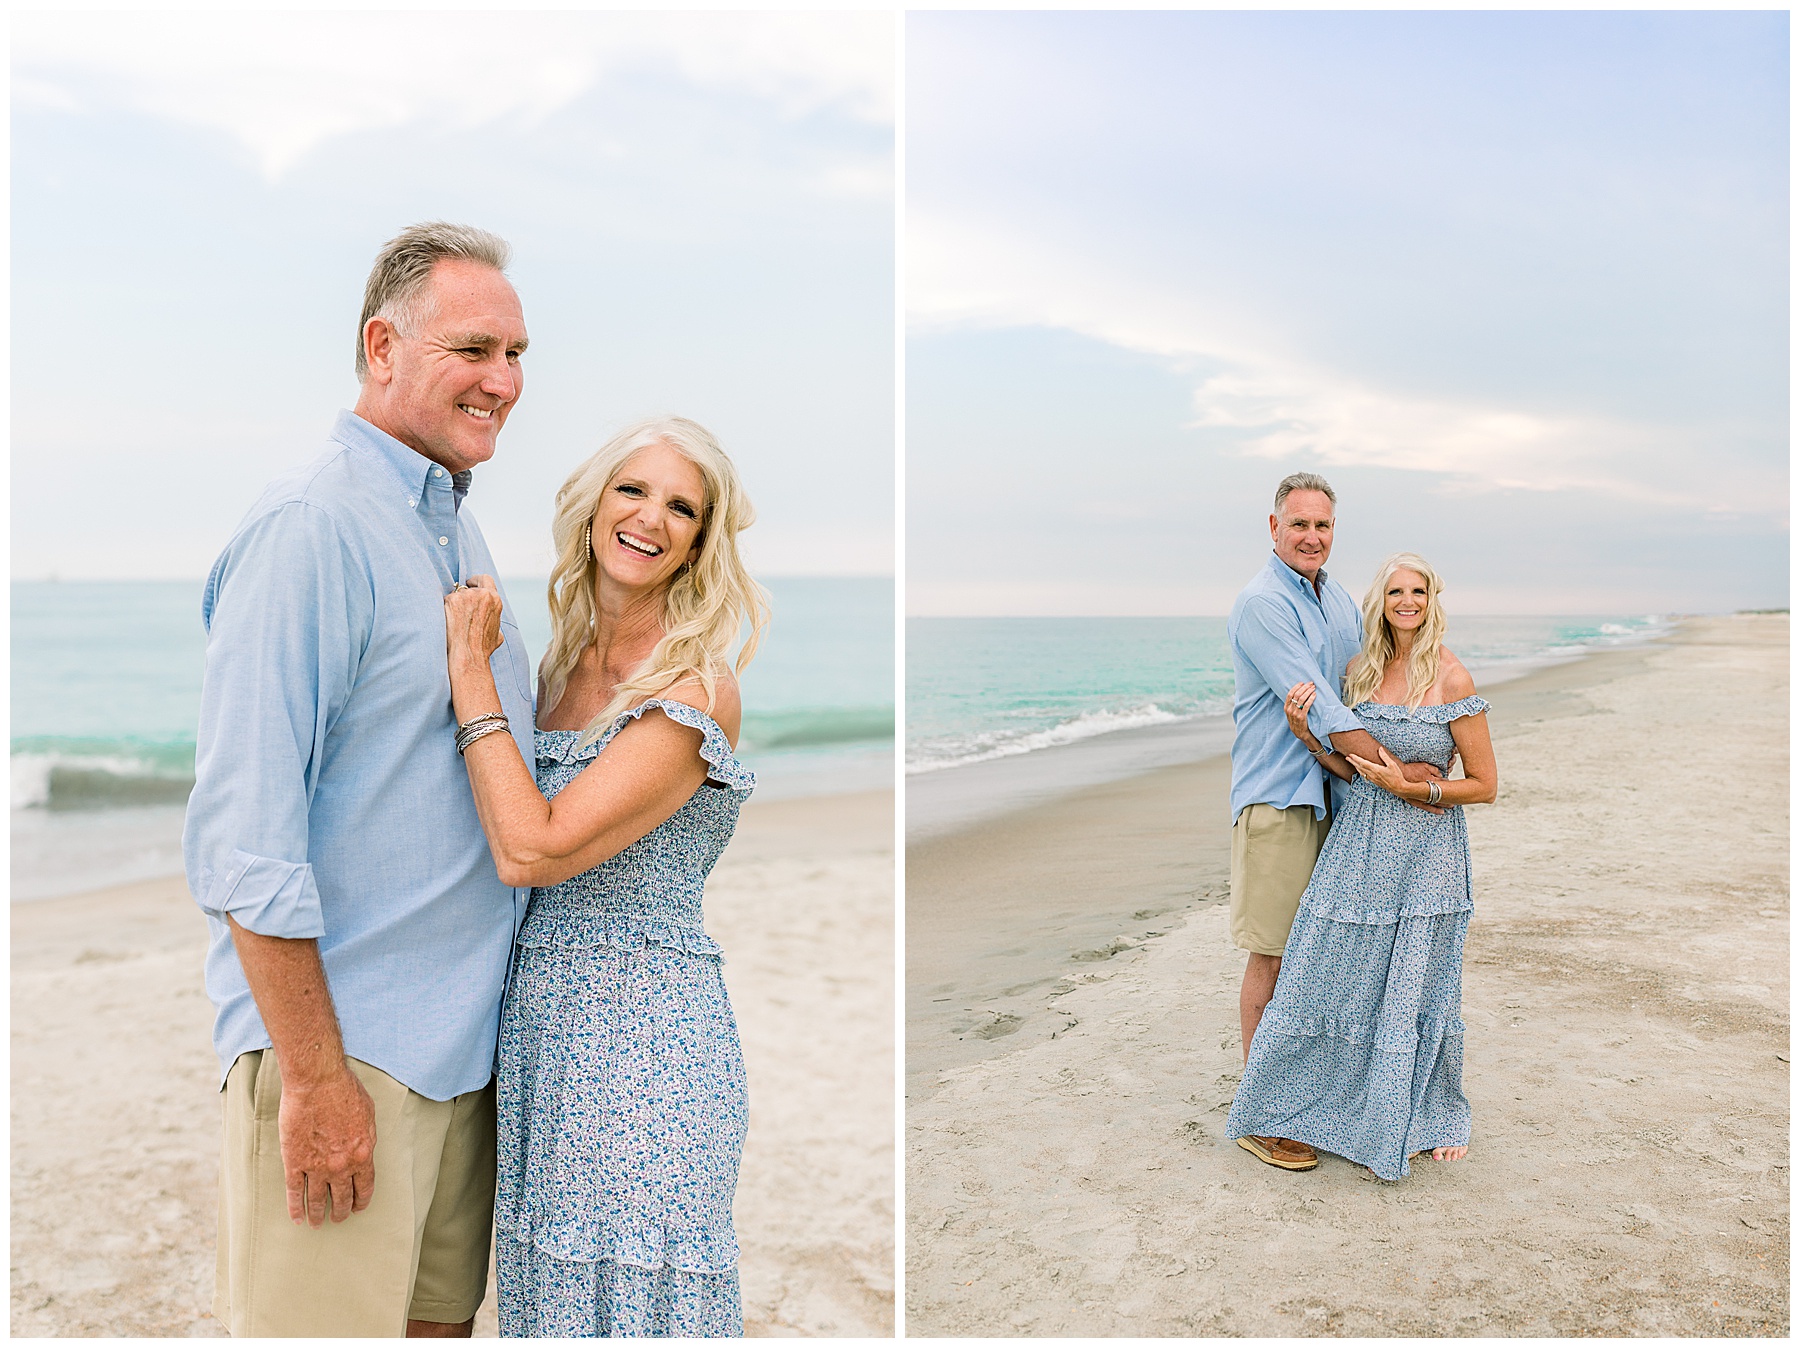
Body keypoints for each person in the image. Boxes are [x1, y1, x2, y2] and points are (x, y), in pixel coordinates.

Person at [183, 221, 535, 1337]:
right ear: (383, 346)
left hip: (462, 1062)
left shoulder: (457, 537)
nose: (505, 381)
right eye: (475, 349)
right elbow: (247, 842)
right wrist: (318, 1083)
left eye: (518, 356)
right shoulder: (312, 526)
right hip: (348, 1060)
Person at [441, 415, 769, 1337]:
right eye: (633, 491)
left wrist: (468, 673)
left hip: (647, 1046)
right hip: (540, 1040)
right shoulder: (557, 668)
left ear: (701, 541)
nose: (651, 518)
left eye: (682, 508)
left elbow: (532, 848)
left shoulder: (693, 687)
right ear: (592, 508)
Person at [1226, 552, 1498, 1180]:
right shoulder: (1359, 672)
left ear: (1433, 601)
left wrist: (1421, 791)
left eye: (1419, 592)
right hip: (1360, 843)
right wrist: (1304, 735)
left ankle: (1423, 1110)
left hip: (1429, 853)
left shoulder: (1454, 678)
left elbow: (1484, 786)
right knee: (1339, 972)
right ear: (1381, 602)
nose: (1408, 602)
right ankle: (1313, 1104)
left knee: (1414, 980)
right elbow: (1355, 770)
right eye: (1397, 592)